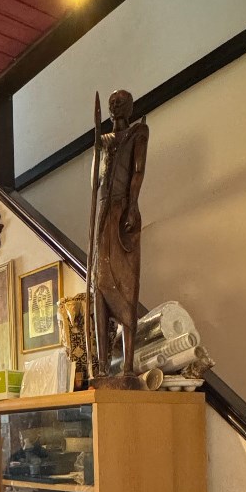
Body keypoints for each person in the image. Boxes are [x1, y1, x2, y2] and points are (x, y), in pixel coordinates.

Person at [88, 89, 148, 380]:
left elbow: (138, 172)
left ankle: (127, 367)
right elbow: (94, 182)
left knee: (127, 283)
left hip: (123, 211)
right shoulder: (104, 140)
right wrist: (97, 146)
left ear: (130, 107)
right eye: (112, 102)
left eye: (120, 102)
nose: (114, 105)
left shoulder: (138, 133)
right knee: (99, 283)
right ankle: (102, 365)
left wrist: (132, 205)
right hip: (102, 215)